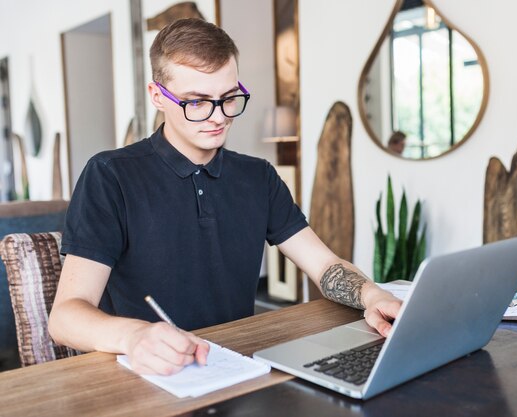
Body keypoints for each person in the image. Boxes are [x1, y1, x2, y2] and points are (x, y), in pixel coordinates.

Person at [48, 18, 400, 376]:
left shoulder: (258, 176)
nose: (218, 117)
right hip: (146, 373)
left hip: (237, 366)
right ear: (157, 96)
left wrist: (374, 296)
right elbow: (64, 317)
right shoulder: (110, 175)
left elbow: (325, 266)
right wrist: (134, 336)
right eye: (197, 102)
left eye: (229, 98)